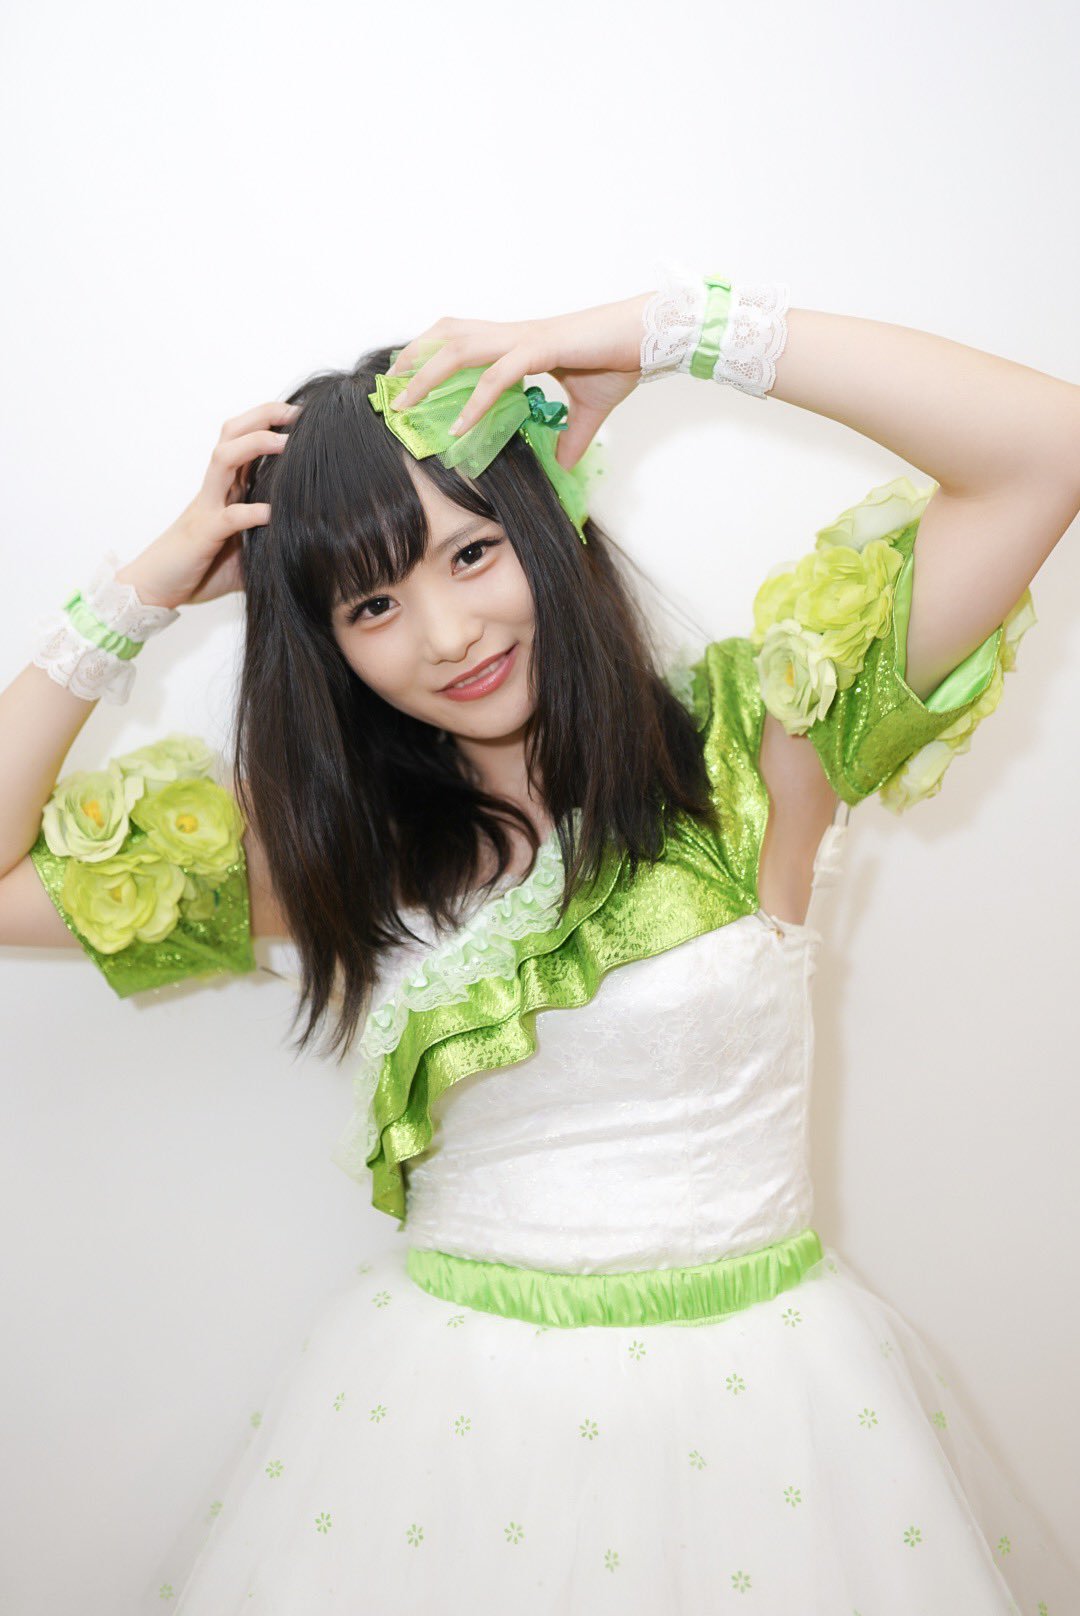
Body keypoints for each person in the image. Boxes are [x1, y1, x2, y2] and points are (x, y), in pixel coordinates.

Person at [2, 264, 1077, 1613]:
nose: (450, 634)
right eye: (371, 605)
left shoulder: (761, 754)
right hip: (450, 1443)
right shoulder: (325, 856)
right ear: (328, 648)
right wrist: (146, 587)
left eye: (471, 552)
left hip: (771, 1433)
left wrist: (658, 332)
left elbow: (1047, 450)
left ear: (549, 518)